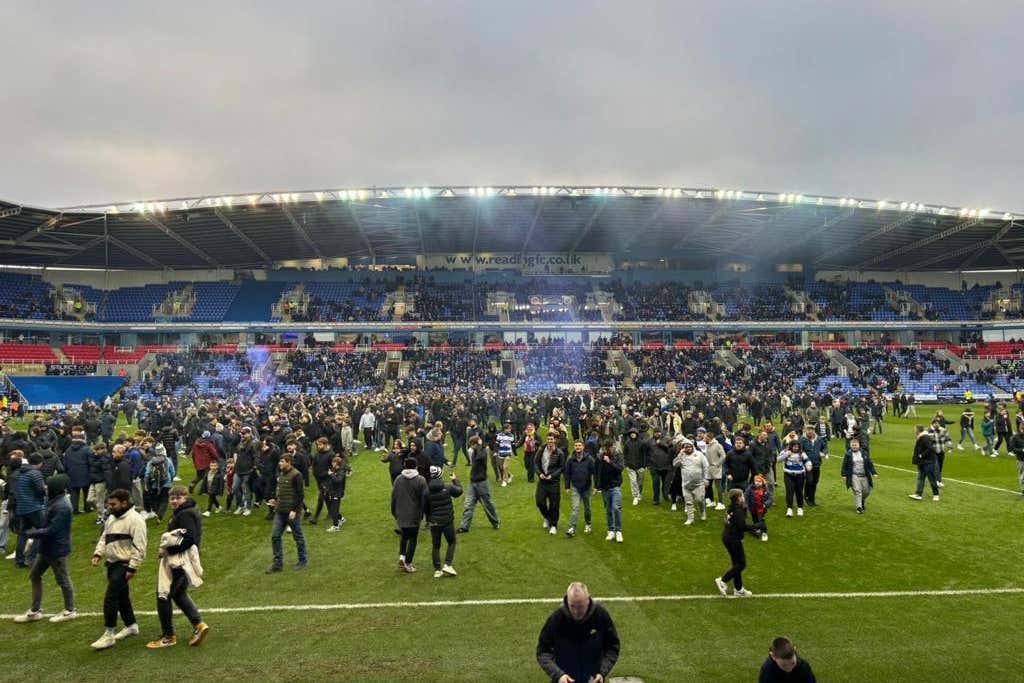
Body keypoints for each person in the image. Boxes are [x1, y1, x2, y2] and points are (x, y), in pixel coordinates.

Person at [147, 486, 209, 649]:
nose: (174, 501)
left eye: (178, 497)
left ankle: (168, 636)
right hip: (182, 561)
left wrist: (168, 550)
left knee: (164, 595)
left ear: (185, 498)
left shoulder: (185, 513)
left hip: (180, 562)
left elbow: (190, 539)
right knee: (179, 594)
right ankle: (199, 625)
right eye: (172, 498)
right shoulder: (185, 511)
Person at [14, 474, 77, 624]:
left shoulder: (62, 506)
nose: (45, 488)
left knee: (63, 579)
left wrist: (30, 534)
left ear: (55, 488)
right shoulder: (54, 501)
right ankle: (35, 610)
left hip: (56, 549)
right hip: (47, 547)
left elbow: (52, 530)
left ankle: (70, 610)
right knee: (35, 575)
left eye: (47, 486)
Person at [90, 488, 148, 650]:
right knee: (122, 596)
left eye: (113, 504)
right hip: (112, 563)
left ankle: (109, 633)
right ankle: (131, 625)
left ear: (124, 503)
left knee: (111, 597)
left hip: (124, 565)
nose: (110, 507)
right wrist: (98, 553)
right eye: (109, 504)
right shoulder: (111, 518)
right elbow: (105, 537)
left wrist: (132, 568)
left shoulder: (136, 520)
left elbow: (140, 546)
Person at [536, 582, 620, 683]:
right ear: (567, 600)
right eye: (572, 606)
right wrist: (559, 675)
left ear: (588, 600)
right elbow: (543, 652)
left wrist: (602, 672)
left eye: (580, 606)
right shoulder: (556, 619)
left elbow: (612, 647)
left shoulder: (601, 616)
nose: (576, 611)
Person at [714, 488, 760, 598]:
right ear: (739, 498)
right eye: (742, 496)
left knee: (736, 564)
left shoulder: (732, 508)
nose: (744, 497)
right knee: (741, 564)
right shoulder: (738, 511)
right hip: (733, 539)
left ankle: (738, 589)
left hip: (728, 536)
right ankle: (723, 580)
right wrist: (757, 526)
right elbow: (742, 527)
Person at [266, 454, 308, 573]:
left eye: (282, 461)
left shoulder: (296, 475)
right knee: (275, 536)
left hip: (292, 512)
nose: (280, 464)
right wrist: (275, 501)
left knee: (298, 537)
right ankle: (277, 563)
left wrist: (294, 510)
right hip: (280, 511)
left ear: (289, 462)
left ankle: (302, 560)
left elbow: (300, 495)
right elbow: (283, 492)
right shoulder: (282, 474)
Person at [424, 466, 462, 578]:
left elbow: (424, 508)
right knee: (451, 541)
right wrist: (455, 479)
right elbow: (459, 491)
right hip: (447, 520)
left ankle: (437, 570)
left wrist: (430, 519)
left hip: (434, 522)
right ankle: (448, 564)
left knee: (436, 545)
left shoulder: (426, 491)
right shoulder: (447, 487)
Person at [457, 435, 500, 533]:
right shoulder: (475, 452)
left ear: (476, 444)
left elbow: (480, 458)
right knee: (468, 505)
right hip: (473, 483)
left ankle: (495, 522)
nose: (471, 446)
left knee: (487, 505)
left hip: (481, 483)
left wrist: (480, 445)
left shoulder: (483, 452)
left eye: (472, 444)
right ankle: (464, 526)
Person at [391, 457, 427, 573]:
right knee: (413, 539)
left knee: (404, 536)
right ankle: (408, 563)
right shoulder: (421, 480)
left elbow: (394, 497)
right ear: (416, 466)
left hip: (401, 513)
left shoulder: (398, 479)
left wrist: (394, 512)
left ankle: (402, 556)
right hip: (414, 514)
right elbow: (424, 498)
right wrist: (424, 513)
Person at [534, 433, 565, 536]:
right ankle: (547, 517)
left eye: (552, 439)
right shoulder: (541, 450)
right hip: (542, 481)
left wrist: (553, 475)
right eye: (548, 439)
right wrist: (539, 474)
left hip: (553, 482)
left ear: (555, 440)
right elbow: (536, 463)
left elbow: (561, 467)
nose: (550, 441)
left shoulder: (559, 453)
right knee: (539, 502)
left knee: (554, 505)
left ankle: (553, 525)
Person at [595, 441, 624, 543]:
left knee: (616, 508)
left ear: (613, 447)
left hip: (615, 486)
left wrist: (610, 462)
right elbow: (598, 472)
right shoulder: (600, 457)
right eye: (606, 448)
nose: (608, 450)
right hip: (605, 487)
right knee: (608, 509)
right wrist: (597, 486)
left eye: (609, 447)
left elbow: (620, 468)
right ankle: (611, 530)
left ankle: (618, 531)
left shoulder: (618, 455)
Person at [674, 439, 709, 526]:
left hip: (699, 483)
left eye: (689, 446)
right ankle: (690, 518)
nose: (688, 448)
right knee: (688, 502)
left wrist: (706, 478)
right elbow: (675, 464)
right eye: (686, 447)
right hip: (686, 484)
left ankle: (702, 512)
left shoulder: (699, 455)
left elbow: (706, 466)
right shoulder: (682, 456)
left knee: (700, 500)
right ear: (683, 448)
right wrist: (680, 455)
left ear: (692, 446)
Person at [564, 441, 595, 537]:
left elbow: (594, 473)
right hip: (575, 487)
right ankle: (572, 528)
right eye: (576, 445)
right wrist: (567, 486)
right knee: (575, 508)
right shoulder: (570, 459)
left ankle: (588, 524)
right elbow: (567, 473)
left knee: (587, 508)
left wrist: (596, 486)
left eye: (579, 445)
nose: (577, 447)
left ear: (583, 447)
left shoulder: (589, 459)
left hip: (586, 487)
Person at [841, 437, 877, 514]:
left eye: (855, 445)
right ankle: (859, 507)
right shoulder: (848, 454)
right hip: (854, 475)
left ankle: (862, 500)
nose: (854, 446)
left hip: (864, 475)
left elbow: (870, 463)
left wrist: (874, 473)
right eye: (852, 445)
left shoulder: (864, 453)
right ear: (850, 446)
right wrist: (844, 475)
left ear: (859, 445)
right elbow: (844, 465)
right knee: (857, 490)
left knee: (867, 491)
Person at [777, 441, 811, 517]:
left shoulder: (802, 453)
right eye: (794, 446)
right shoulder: (785, 451)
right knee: (789, 491)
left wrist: (809, 466)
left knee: (799, 491)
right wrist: (786, 455)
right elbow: (778, 460)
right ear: (791, 446)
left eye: (797, 447)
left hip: (800, 476)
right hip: (788, 475)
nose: (796, 448)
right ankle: (789, 509)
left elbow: (807, 460)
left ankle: (800, 508)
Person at [909, 425, 940, 502]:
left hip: (928, 462)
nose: (914, 431)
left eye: (915, 429)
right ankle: (918, 494)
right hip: (922, 462)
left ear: (918, 430)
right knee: (920, 478)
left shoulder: (925, 438)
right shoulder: (922, 437)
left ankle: (936, 495)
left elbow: (931, 449)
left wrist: (921, 455)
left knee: (931, 478)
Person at [744, 474, 772, 542]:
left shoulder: (765, 490)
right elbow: (746, 496)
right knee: (754, 518)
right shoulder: (750, 488)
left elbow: (770, 499)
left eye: (759, 481)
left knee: (761, 521)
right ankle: (757, 528)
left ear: (762, 482)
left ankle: (764, 533)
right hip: (752, 507)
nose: (757, 482)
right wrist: (746, 505)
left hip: (761, 509)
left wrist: (765, 504)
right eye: (756, 481)